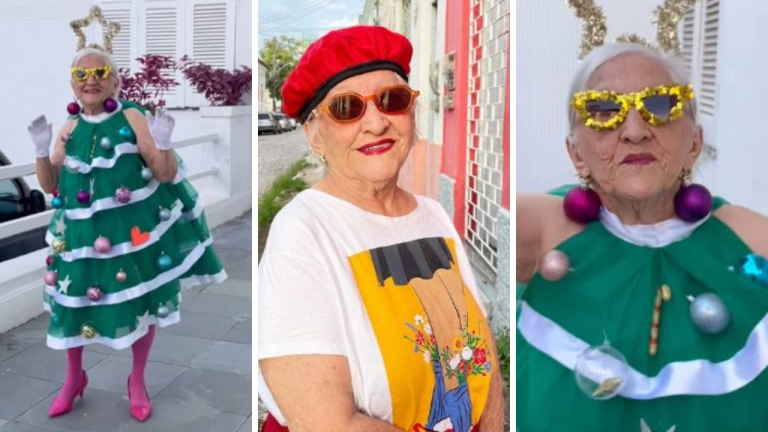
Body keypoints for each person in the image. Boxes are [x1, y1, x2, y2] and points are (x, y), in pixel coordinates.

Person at [258, 26, 504, 432]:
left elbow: (483, 357)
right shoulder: (303, 230)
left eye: (392, 100)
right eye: (346, 108)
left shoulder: (433, 215)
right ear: (314, 134)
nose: (375, 123)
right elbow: (328, 423)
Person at [517, 40, 768, 431]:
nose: (635, 131)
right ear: (576, 154)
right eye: (603, 110)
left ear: (695, 144)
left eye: (661, 105)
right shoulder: (546, 232)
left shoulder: (747, 240)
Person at [30, 43, 226, 421]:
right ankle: (74, 379)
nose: (91, 80)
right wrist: (41, 151)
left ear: (115, 80)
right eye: (81, 75)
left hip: (129, 238)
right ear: (72, 84)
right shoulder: (69, 127)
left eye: (100, 73)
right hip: (79, 241)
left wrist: (163, 144)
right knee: (74, 305)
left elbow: (165, 173)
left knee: (140, 303)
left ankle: (136, 381)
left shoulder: (133, 116)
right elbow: (50, 184)